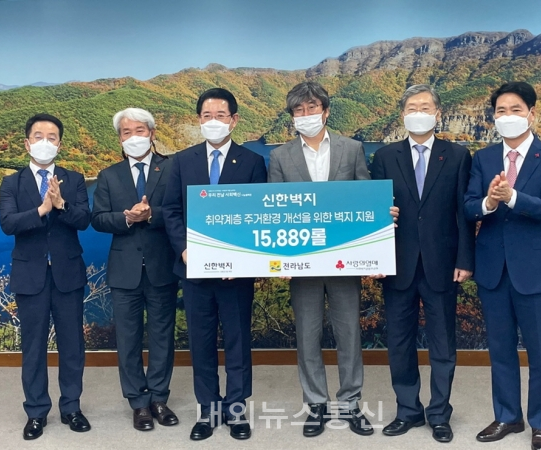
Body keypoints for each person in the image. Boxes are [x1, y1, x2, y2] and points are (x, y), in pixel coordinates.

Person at [464, 81, 541, 450]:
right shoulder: (483, 159)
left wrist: (512, 197)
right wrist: (489, 203)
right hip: (493, 269)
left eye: (515, 110)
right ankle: (507, 416)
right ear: (493, 117)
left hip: (537, 271)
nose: (507, 116)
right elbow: (468, 206)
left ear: (531, 114)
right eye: (501, 111)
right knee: (500, 349)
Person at [268, 81, 374, 437]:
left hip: (344, 260)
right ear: (292, 116)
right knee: (307, 336)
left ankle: (351, 403)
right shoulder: (280, 157)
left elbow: (365, 198)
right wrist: (280, 259)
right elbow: (274, 212)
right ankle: (315, 405)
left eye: (312, 108)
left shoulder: (352, 149)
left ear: (325, 111)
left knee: (349, 335)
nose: (306, 115)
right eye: (298, 110)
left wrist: (380, 217)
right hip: (302, 262)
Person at [370, 84, 475, 443]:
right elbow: (373, 211)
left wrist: (465, 259)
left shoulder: (457, 155)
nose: (419, 112)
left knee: (442, 345)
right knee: (399, 343)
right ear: (402, 114)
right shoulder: (385, 156)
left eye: (425, 107)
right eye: (412, 107)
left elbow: (463, 212)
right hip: (397, 264)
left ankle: (440, 414)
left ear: (437, 113)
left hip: (442, 264)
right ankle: (408, 411)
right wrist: (376, 252)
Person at [162, 88, 267, 441]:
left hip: (237, 272)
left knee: (237, 340)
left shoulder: (252, 162)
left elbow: (258, 214)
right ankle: (207, 410)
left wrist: (242, 257)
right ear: (199, 120)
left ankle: (236, 409)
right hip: (195, 270)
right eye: (207, 116)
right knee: (201, 341)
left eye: (220, 116)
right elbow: (171, 210)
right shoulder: (182, 160)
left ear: (234, 120)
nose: (213, 122)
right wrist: (184, 250)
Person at [0, 114, 92, 440]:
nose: (45, 142)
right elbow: (8, 224)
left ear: (60, 144)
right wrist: (42, 210)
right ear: (27, 143)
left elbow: (84, 220)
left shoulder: (74, 179)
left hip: (68, 273)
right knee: (34, 347)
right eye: (38, 136)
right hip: (30, 275)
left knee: (72, 345)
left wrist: (61, 204)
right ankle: (36, 412)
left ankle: (71, 407)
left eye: (52, 137)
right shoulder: (12, 183)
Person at [91, 108, 179, 431]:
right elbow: (98, 219)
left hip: (162, 266)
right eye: (126, 132)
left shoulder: (171, 168)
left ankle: (159, 398)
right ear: (120, 139)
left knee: (162, 336)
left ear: (152, 134)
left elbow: (181, 209)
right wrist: (126, 217)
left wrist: (151, 214)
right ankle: (138, 402)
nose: (133, 137)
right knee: (127, 339)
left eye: (139, 131)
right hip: (124, 269)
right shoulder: (108, 175)